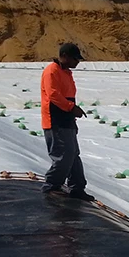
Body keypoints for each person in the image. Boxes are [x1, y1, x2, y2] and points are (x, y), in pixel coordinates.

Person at [40, 43, 94, 201]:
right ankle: (51, 185)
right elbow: (53, 95)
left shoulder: (66, 73)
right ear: (64, 56)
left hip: (66, 118)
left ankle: (77, 187)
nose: (77, 62)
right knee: (63, 155)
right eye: (75, 58)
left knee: (73, 154)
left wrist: (71, 114)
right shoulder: (52, 71)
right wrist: (71, 108)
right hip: (55, 119)